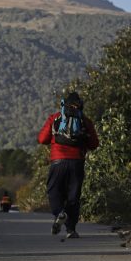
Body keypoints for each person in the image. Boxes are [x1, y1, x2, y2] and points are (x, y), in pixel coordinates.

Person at [37, 91, 99, 239]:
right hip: (77, 162)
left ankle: (60, 213)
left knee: (54, 191)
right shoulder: (85, 120)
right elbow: (94, 144)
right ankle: (71, 229)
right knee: (73, 197)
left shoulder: (54, 118)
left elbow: (42, 139)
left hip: (58, 162)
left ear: (63, 105)